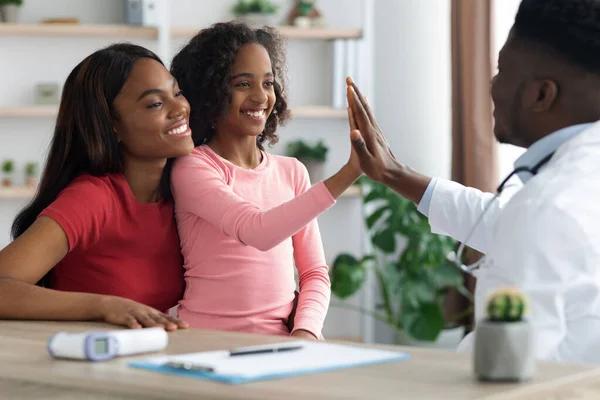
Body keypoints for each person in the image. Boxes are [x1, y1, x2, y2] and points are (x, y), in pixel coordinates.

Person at [346, 0, 600, 363]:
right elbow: (503, 222)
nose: (493, 84)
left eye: (502, 70)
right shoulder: (578, 183)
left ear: (542, 95)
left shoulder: (548, 209)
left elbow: (504, 370)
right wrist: (393, 173)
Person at [169, 22, 361, 340]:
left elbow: (314, 273)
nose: (261, 96)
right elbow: (257, 230)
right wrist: (350, 172)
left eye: (268, 83)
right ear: (211, 91)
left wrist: (306, 331)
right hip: (204, 342)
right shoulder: (193, 168)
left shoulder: (292, 172)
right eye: (243, 83)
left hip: (279, 344)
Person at [0, 43, 193, 331]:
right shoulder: (93, 198)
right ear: (111, 125)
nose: (180, 108)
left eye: (176, 93)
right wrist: (103, 306)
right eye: (155, 103)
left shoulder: (187, 192)